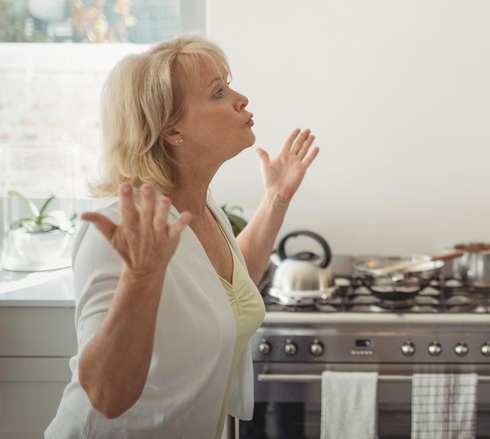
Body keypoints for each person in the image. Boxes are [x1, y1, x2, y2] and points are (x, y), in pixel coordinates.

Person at [46, 35, 319, 438]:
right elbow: (105, 396)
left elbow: (225, 289)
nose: (241, 99)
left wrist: (276, 199)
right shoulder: (120, 231)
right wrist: (142, 277)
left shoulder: (204, 210)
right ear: (172, 132)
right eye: (218, 93)